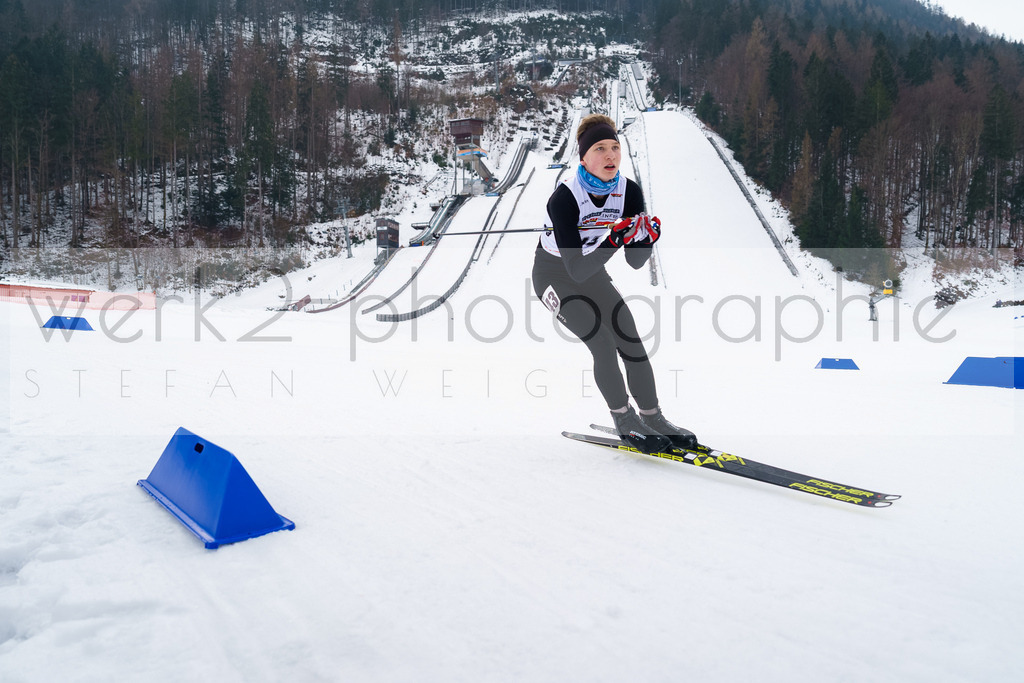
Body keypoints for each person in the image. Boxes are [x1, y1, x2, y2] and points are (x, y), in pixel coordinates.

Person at [532, 113, 697, 454]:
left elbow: (635, 262)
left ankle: (652, 417)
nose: (610, 156)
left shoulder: (629, 192)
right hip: (553, 275)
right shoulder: (564, 198)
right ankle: (624, 419)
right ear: (584, 158)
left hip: (592, 271)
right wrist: (613, 239)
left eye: (615, 148)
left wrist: (645, 239)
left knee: (629, 337)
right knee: (602, 341)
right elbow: (574, 269)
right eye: (600, 149)